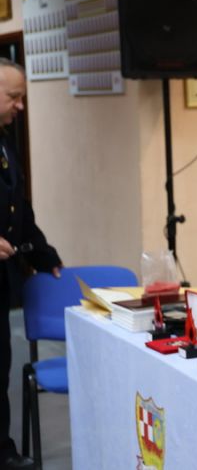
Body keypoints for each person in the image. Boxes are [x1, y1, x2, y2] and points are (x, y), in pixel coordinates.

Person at [0, 58, 62, 469]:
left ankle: (2, 450)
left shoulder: (5, 140)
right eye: (14, 96)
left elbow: (18, 207)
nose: (20, 106)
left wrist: (42, 254)